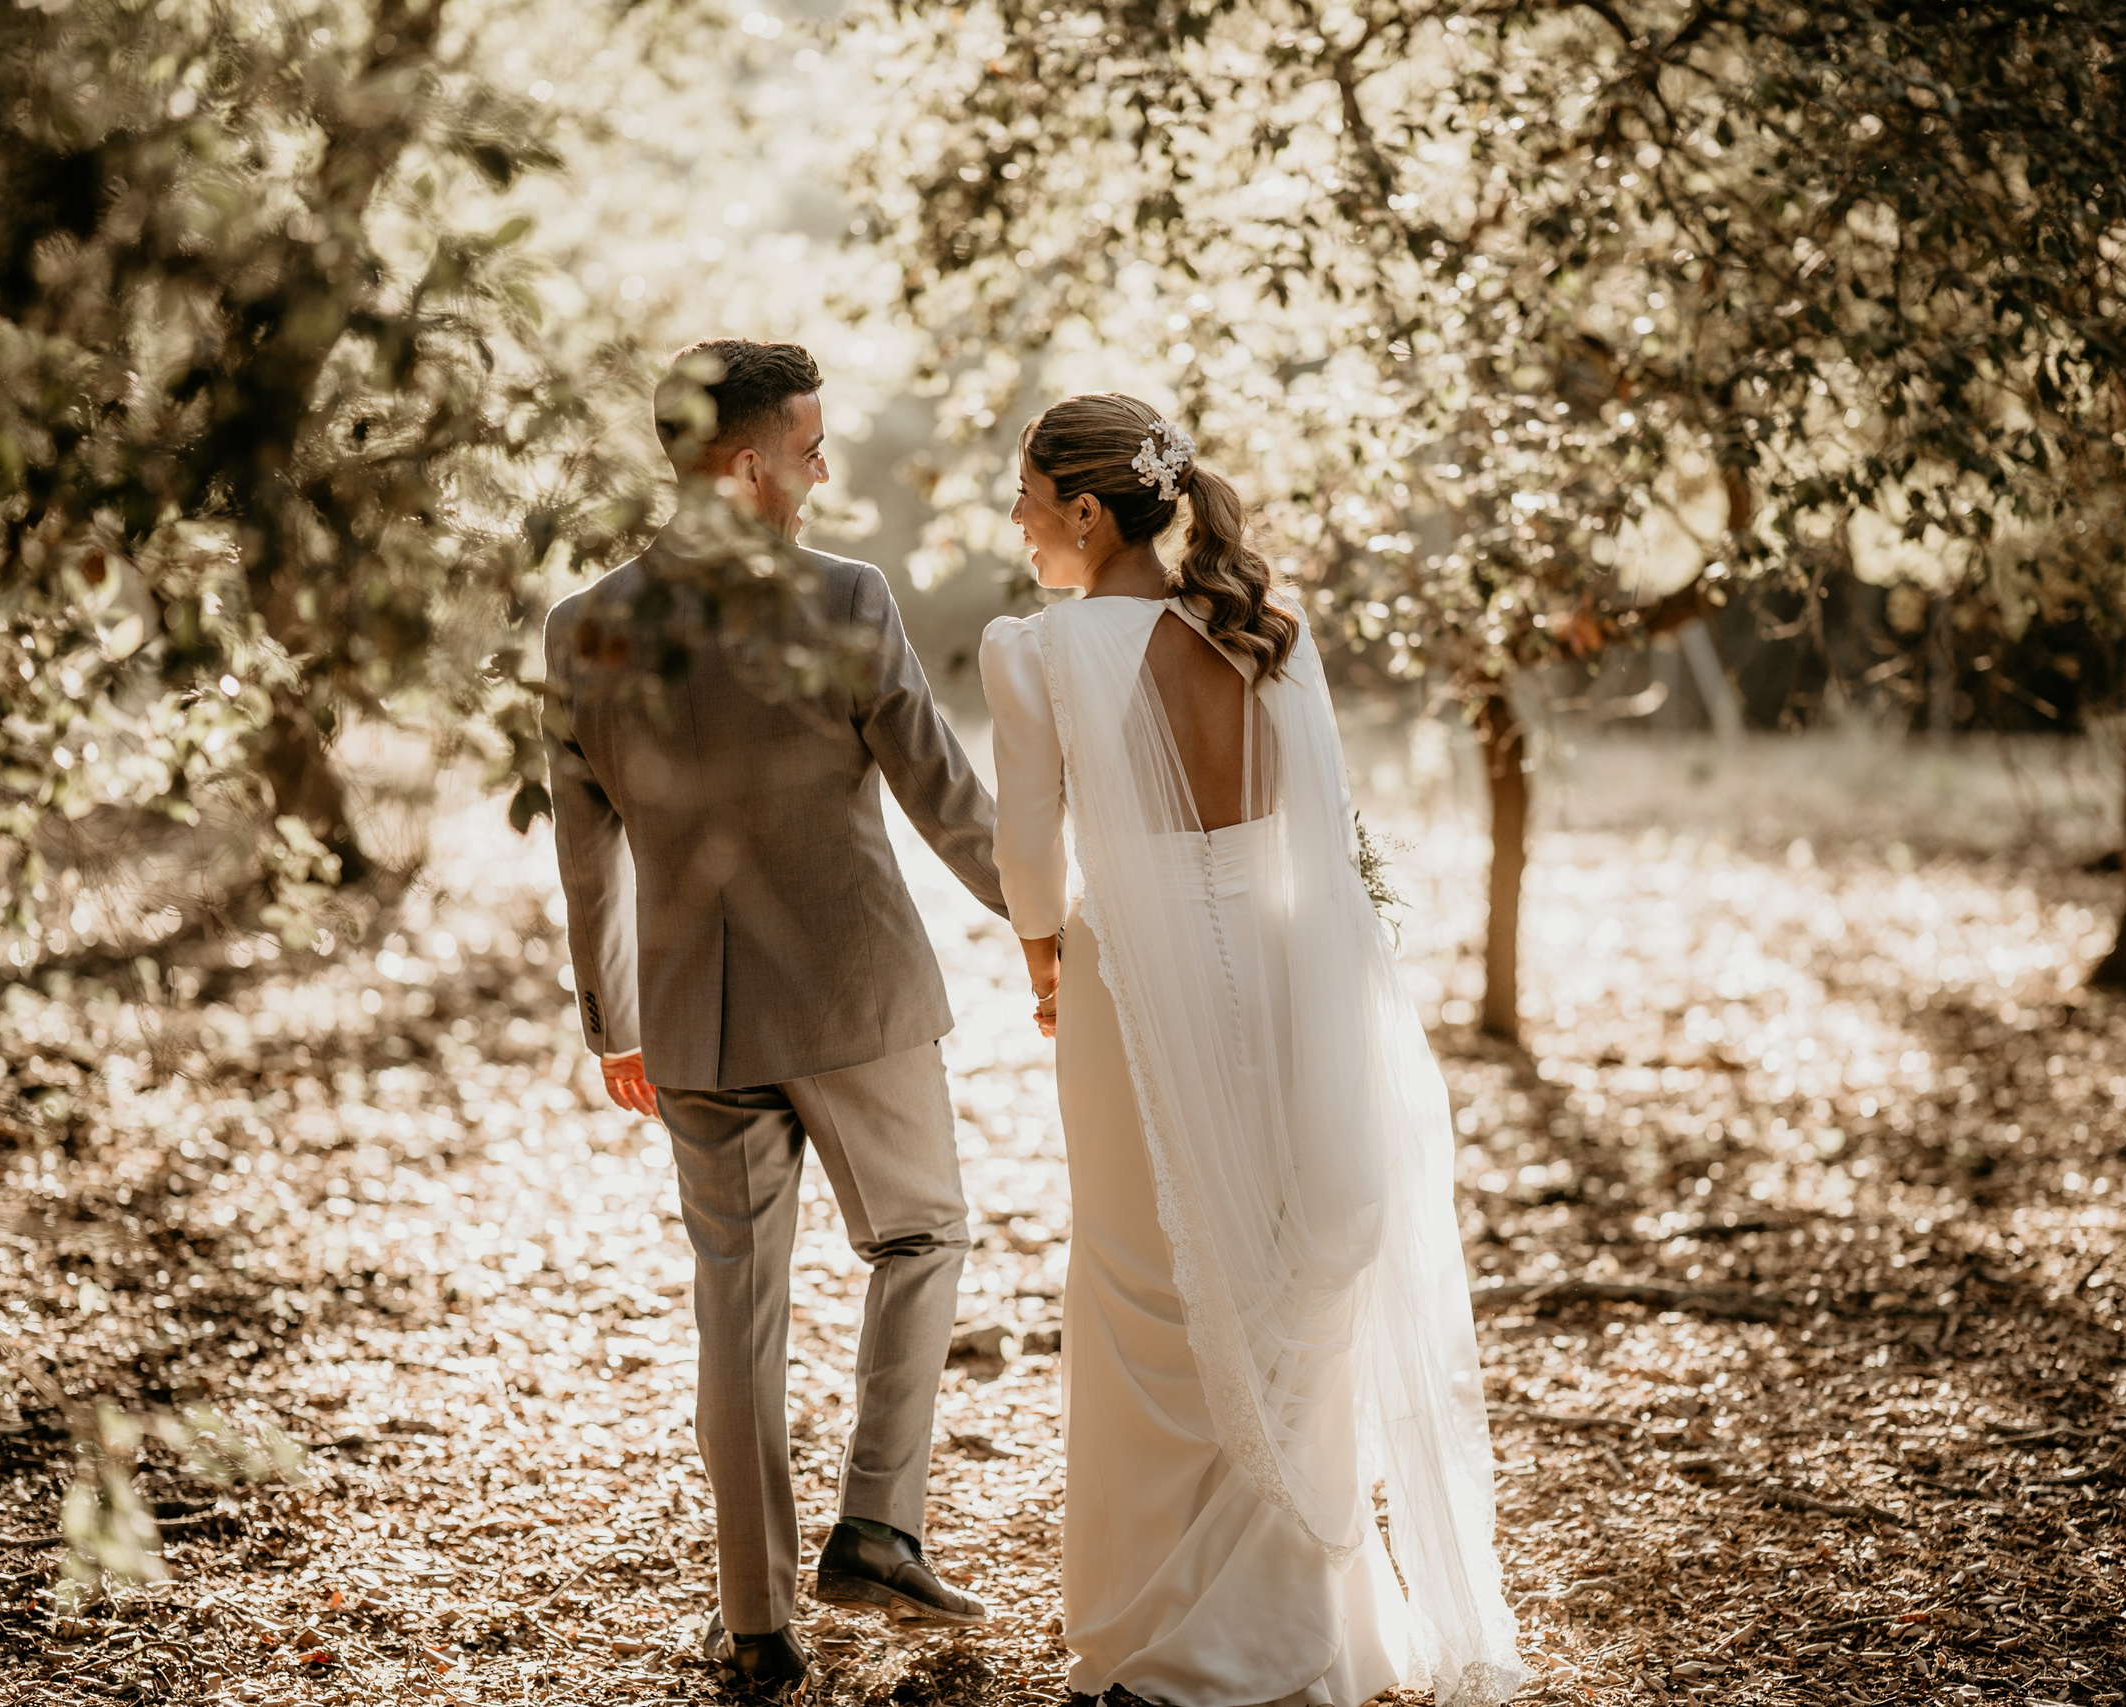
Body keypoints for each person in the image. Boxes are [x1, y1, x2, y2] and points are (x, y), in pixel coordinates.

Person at [978, 394, 1524, 1707]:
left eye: (1028, 496)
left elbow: (1032, 873)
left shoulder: (1039, 653)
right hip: (1285, 977)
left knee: (1139, 1287)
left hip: (1131, 993)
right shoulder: (1260, 638)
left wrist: (1043, 958)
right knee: (1278, 1281)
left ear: (1088, 512)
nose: (1016, 520)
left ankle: (1167, 1641)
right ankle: (1292, 1630)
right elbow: (1322, 848)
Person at [545, 339, 1006, 1692]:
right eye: (809, 446)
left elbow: (587, 850)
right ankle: (875, 1522)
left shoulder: (585, 626)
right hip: (856, 1000)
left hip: (692, 1022)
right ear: (745, 466)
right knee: (922, 1234)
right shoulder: (847, 599)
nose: (823, 466)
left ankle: (755, 1629)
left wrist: (612, 1019)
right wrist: (1053, 927)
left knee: (734, 1314)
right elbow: (944, 798)